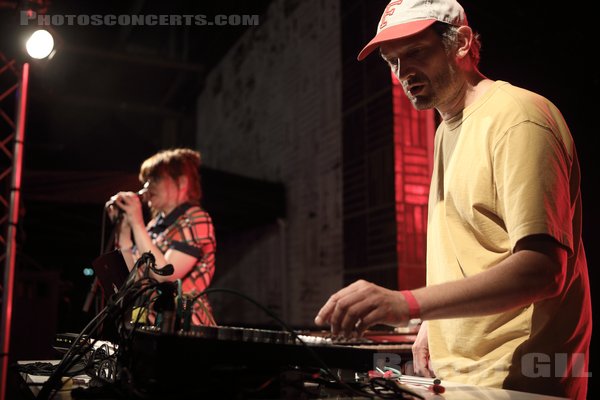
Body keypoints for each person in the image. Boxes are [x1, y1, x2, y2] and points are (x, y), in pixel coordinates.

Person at [314, 1, 592, 398]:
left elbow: (544, 269)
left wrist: (407, 303)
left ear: (460, 43)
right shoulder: (446, 129)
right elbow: (472, 249)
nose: (403, 72)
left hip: (521, 381)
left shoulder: (519, 117)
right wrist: (433, 324)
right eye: (392, 62)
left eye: (416, 53)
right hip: (463, 378)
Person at [107, 148, 216, 326]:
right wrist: (124, 230)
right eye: (146, 180)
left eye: (155, 179)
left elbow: (165, 277)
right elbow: (131, 278)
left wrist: (136, 223)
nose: (147, 187)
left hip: (185, 327)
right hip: (146, 323)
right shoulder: (152, 227)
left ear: (181, 182)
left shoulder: (198, 219)